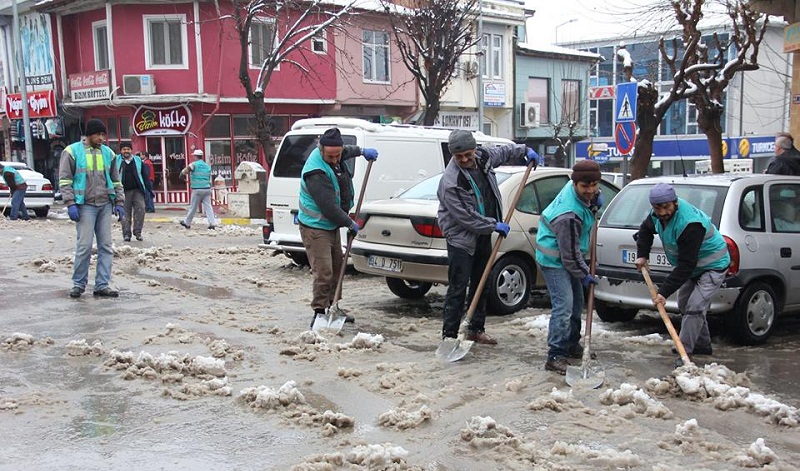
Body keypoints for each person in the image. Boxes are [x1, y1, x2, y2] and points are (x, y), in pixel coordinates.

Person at [437, 130, 538, 346]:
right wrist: (492, 225)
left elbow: (504, 151)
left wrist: (524, 151)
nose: (464, 160)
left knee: (482, 282)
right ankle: (450, 336)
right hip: (461, 238)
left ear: (474, 149)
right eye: (459, 157)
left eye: (468, 154)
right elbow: (465, 217)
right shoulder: (451, 181)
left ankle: (475, 329)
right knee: (458, 286)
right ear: (452, 156)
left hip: (484, 232)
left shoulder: (483, 157)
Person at [634, 183, 730, 366]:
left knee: (695, 307)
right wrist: (642, 256)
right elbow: (645, 231)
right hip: (694, 267)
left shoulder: (690, 224)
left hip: (713, 265)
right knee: (685, 304)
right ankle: (702, 344)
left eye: (666, 207)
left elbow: (686, 265)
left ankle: (684, 352)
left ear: (675, 203)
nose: (662, 212)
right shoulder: (656, 215)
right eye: (657, 208)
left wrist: (663, 292)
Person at [298, 127, 378, 328]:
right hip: (315, 227)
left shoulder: (337, 153)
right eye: (330, 156)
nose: (335, 160)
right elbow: (329, 208)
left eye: (337, 155)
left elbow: (348, 150)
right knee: (324, 271)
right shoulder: (316, 172)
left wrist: (362, 151)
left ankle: (334, 305)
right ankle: (319, 312)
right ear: (321, 149)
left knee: (337, 267)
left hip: (330, 225)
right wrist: (349, 222)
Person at [536, 160, 603, 375]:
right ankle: (555, 355)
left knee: (577, 304)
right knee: (564, 307)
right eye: (585, 187)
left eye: (594, 185)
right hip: (554, 259)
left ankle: (571, 344)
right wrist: (584, 274)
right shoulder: (568, 215)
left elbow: (574, 253)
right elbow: (570, 256)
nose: (590, 190)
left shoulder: (579, 194)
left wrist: (592, 203)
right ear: (575, 184)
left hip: (570, 256)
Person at [59, 119, 125, 298]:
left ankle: (102, 285)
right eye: (98, 134)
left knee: (106, 247)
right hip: (84, 206)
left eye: (104, 135)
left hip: (104, 205)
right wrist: (70, 203)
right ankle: (78, 284)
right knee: (84, 247)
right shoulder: (72, 152)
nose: (102, 138)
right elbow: (65, 180)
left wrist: (119, 202)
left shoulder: (109, 153)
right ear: (89, 134)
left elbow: (116, 180)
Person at [116, 144, 149, 241]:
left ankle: (138, 232)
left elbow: (144, 175)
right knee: (125, 213)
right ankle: (126, 234)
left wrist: (148, 190)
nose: (126, 151)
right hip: (123, 191)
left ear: (131, 150)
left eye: (128, 149)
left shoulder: (138, 160)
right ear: (121, 150)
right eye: (124, 149)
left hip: (137, 191)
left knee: (141, 210)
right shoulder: (116, 160)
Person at [179, 149, 217, 230]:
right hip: (207, 188)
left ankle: (187, 223)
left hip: (197, 189)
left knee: (193, 207)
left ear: (196, 156)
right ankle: (212, 223)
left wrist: (182, 174)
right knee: (208, 207)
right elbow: (210, 178)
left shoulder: (194, 164)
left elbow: (187, 169)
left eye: (194, 156)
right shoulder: (207, 166)